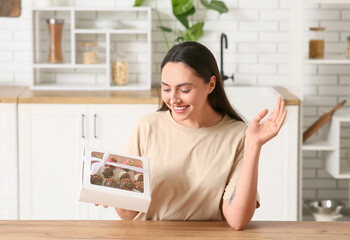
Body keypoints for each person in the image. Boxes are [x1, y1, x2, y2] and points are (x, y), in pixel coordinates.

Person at [105, 41, 287, 230]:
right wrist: (111, 192)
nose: (173, 98)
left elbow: (237, 219)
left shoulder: (238, 135)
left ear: (211, 85)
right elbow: (127, 214)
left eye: (184, 90)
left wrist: (253, 146)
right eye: (166, 89)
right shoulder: (147, 127)